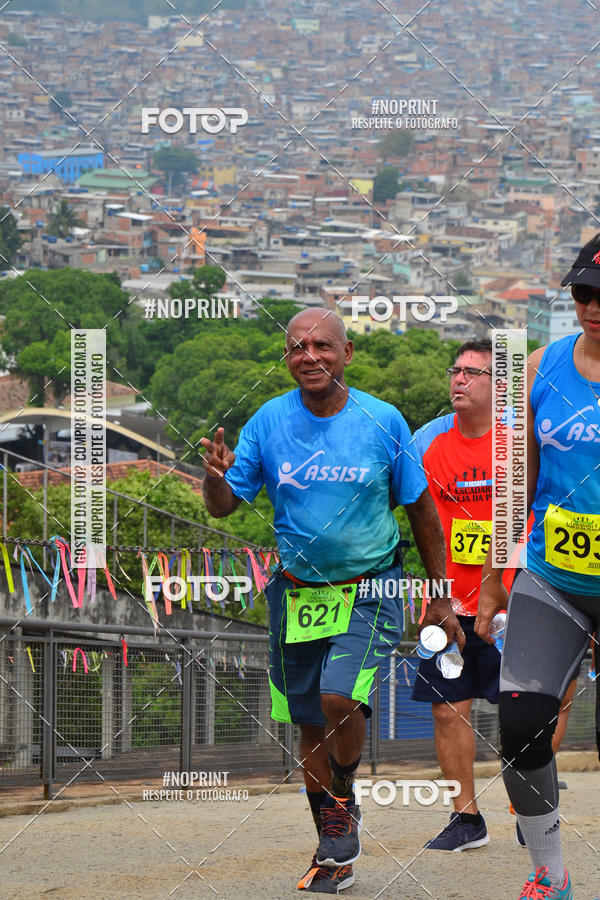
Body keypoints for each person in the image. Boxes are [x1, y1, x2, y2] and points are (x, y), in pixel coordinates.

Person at [200, 308, 463, 894]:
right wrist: (215, 478)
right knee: (308, 723)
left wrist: (440, 595)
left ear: (347, 354)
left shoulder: (381, 420)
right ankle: (334, 850)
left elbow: (420, 509)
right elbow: (223, 505)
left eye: (322, 345)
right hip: (297, 593)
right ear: (287, 358)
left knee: (339, 698)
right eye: (297, 347)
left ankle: (342, 798)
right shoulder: (269, 422)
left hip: (373, 585)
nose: (309, 356)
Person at [476, 233, 600, 899]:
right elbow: (515, 482)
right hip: (554, 577)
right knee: (521, 727)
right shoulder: (539, 367)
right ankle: (550, 876)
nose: (594, 306)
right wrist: (497, 579)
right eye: (583, 292)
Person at [410, 338, 508, 851]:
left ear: (501, 385)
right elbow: (425, 527)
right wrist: (435, 595)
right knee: (447, 710)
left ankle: (531, 806)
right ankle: (466, 818)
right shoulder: (431, 445)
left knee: (523, 715)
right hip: (452, 606)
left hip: (514, 602)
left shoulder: (517, 445)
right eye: (456, 370)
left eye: (474, 372)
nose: (460, 380)